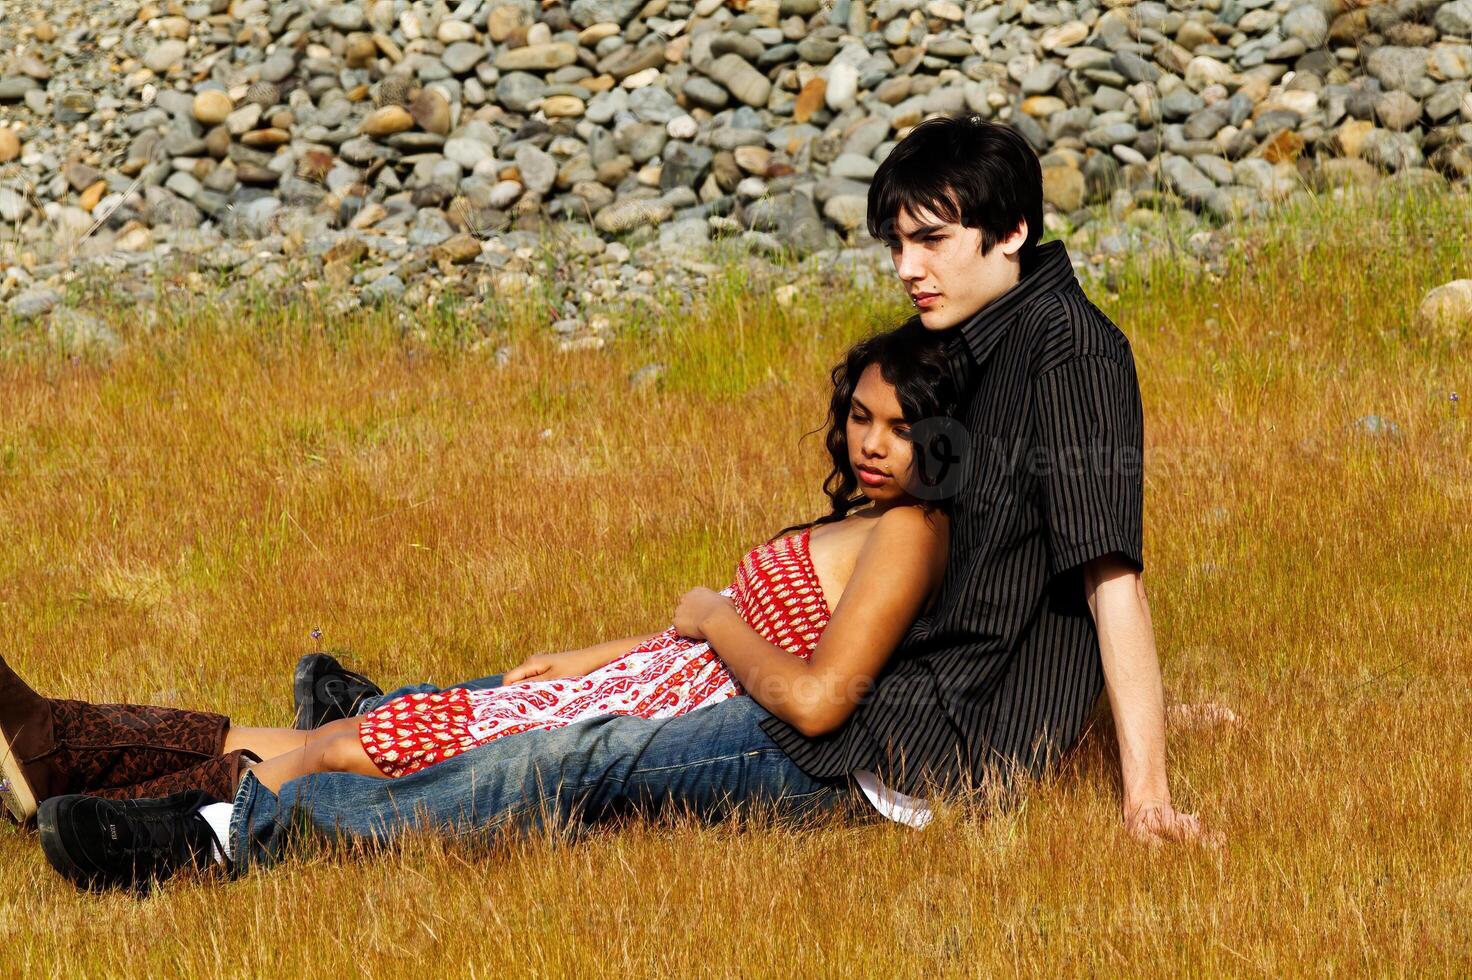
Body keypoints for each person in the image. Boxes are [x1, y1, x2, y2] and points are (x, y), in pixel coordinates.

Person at [36, 113, 1212, 893]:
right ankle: (114, 762)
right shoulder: (970, 336)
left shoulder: (1070, 354)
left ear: (1012, 232)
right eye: (894, 241)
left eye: (931, 240)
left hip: (902, 753)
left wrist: (1145, 791)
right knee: (538, 718)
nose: (907, 266)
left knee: (571, 759)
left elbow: (1105, 572)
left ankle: (226, 834)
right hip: (865, 709)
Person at [33, 322, 961, 889]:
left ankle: (177, 832)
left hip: (671, 716)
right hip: (644, 680)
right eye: (862, 417)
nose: (873, 443)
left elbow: (817, 693)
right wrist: (594, 654)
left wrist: (713, 613)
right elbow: (717, 628)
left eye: (902, 428)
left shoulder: (913, 531)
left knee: (358, 745)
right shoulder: (868, 518)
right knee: (400, 725)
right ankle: (89, 762)